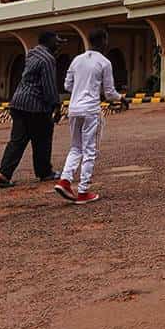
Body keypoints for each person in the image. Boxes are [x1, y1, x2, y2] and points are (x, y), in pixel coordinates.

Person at [54, 28, 122, 205]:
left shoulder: (77, 60)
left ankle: (65, 180)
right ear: (104, 41)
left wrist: (81, 86)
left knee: (76, 147)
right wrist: (121, 99)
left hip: (74, 108)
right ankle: (83, 190)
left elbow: (67, 85)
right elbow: (109, 92)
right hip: (91, 110)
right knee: (90, 149)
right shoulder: (104, 63)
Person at [0, 29, 61, 188]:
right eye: (57, 40)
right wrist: (56, 105)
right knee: (43, 138)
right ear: (49, 41)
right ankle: (44, 172)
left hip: (18, 102)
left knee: (17, 140)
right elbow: (49, 86)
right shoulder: (47, 59)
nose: (58, 44)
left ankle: (4, 172)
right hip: (35, 105)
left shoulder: (31, 54)